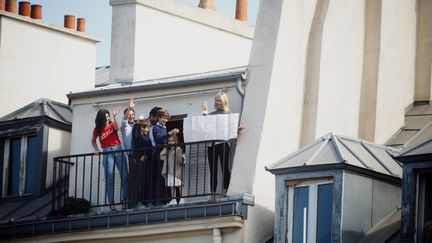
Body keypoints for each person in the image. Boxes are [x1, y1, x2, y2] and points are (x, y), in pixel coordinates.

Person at [91, 108, 128, 211]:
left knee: (125, 175)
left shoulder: (112, 124)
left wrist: (115, 116)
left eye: (108, 116)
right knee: (109, 178)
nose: (107, 118)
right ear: (101, 118)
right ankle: (111, 203)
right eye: (105, 117)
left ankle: (125, 199)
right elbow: (93, 141)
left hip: (117, 148)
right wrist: (96, 149)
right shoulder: (97, 129)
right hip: (107, 152)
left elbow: (117, 128)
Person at [202, 92, 232, 196]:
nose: (218, 102)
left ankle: (226, 189)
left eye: (220, 100)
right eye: (217, 100)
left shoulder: (228, 114)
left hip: (223, 143)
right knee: (213, 170)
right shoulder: (211, 114)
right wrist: (205, 112)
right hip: (211, 145)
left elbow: (231, 128)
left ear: (225, 101)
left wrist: (237, 129)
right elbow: (204, 126)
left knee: (225, 168)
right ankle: (213, 193)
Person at [152, 108, 179, 205]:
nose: (165, 120)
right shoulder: (156, 127)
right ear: (158, 118)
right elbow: (158, 139)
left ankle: (166, 199)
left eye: (167, 118)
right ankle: (158, 200)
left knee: (165, 177)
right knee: (160, 177)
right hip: (159, 155)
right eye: (164, 118)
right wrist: (169, 133)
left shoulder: (163, 127)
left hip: (165, 154)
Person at [132, 118, 153, 208]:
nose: (147, 129)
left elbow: (150, 149)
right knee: (140, 182)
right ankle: (139, 202)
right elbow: (134, 131)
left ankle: (147, 202)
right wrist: (139, 122)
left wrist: (147, 156)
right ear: (141, 128)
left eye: (148, 128)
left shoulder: (147, 138)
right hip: (139, 162)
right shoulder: (137, 136)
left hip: (147, 161)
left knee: (148, 182)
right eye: (145, 127)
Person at [160, 133, 186, 205]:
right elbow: (161, 156)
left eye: (172, 141)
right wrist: (165, 147)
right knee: (172, 186)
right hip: (170, 171)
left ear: (176, 141)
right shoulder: (168, 150)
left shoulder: (178, 149)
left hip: (177, 171)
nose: (171, 142)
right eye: (169, 141)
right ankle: (173, 199)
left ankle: (182, 199)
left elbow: (181, 160)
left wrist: (183, 158)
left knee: (179, 185)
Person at [121, 98, 138, 208]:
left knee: (138, 179)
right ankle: (131, 203)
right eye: (129, 114)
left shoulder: (137, 125)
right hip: (132, 155)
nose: (131, 116)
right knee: (132, 179)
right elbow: (123, 120)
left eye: (133, 114)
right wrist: (130, 107)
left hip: (139, 154)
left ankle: (138, 200)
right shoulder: (125, 126)